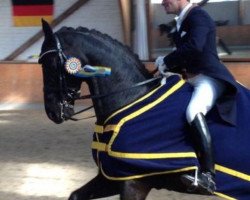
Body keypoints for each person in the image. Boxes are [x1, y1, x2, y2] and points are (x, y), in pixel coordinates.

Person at [155, 0, 238, 195]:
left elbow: (195, 47)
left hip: (208, 78)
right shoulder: (182, 21)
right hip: (191, 78)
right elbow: (186, 56)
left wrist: (166, 61)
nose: (162, 2)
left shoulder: (198, 16)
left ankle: (208, 176)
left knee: (194, 111)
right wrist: (163, 67)